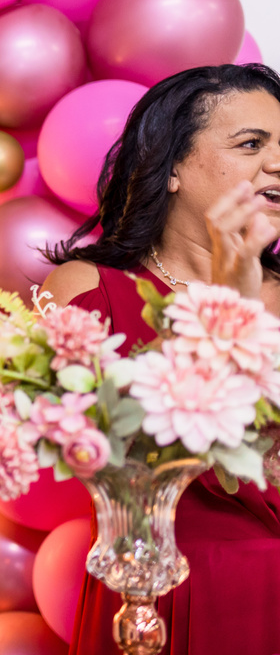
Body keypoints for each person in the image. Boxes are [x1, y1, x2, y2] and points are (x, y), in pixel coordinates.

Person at [42, 63, 280, 655]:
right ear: (171, 166)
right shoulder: (87, 290)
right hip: (156, 592)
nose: (277, 163)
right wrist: (232, 307)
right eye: (252, 144)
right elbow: (114, 457)